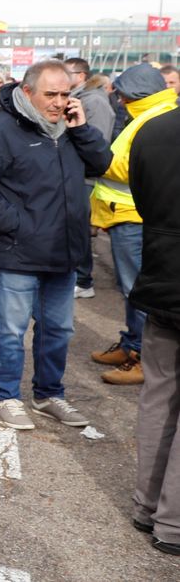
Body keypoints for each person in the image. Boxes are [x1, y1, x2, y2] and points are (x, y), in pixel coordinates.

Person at [0, 60, 111, 430]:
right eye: (51, 94)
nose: (59, 102)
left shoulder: (71, 129)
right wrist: (15, 224)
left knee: (58, 330)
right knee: (11, 330)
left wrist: (82, 129)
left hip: (63, 252)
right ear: (27, 92)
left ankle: (48, 395)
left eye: (65, 94)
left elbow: (102, 163)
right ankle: (6, 397)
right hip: (19, 251)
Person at [88, 64, 177, 385]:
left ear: (137, 93)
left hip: (133, 217)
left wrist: (94, 154)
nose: (120, 100)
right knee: (132, 291)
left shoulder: (150, 120)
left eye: (124, 94)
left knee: (137, 291)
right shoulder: (152, 115)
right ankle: (132, 344)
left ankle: (142, 356)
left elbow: (123, 167)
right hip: (128, 215)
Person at [125, 103, 180, 556]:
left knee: (158, 395)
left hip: (162, 276)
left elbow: (144, 200)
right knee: (160, 394)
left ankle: (149, 506)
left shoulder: (153, 130)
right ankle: (173, 523)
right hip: (164, 275)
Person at [66, 58, 114, 299]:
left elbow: (97, 143)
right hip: (76, 176)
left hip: (86, 178)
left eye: (67, 72)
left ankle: (83, 280)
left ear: (81, 75)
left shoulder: (93, 101)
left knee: (80, 230)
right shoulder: (81, 97)